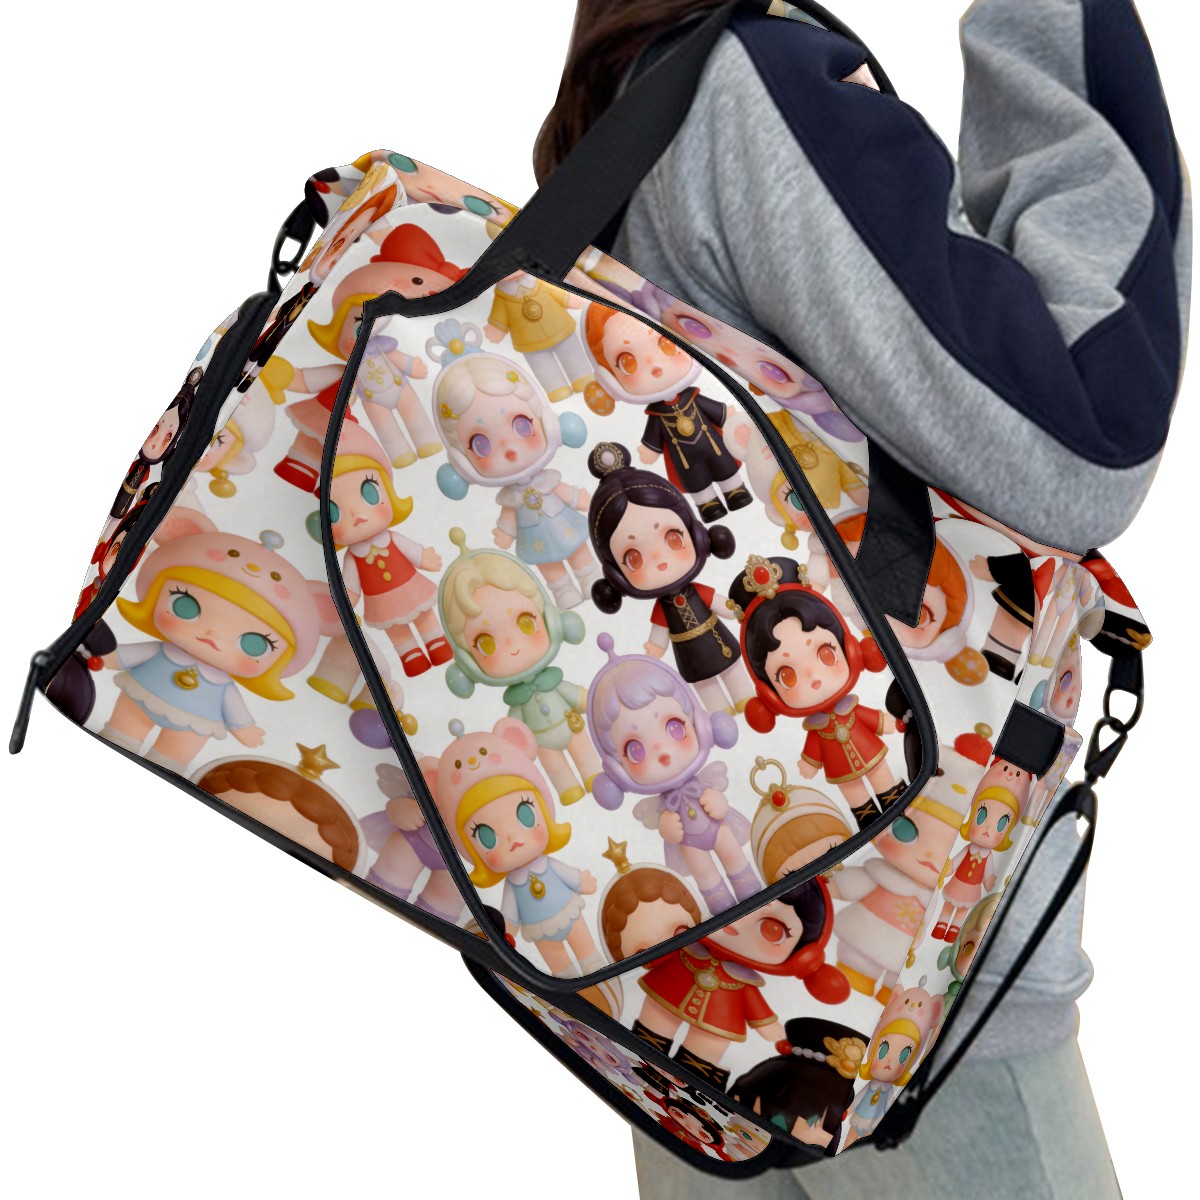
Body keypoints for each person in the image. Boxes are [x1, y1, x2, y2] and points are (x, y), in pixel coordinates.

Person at [534, 0, 1189, 1195]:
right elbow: (1084, 437)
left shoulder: (621, 127)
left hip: (684, 998)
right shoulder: (756, 91)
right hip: (911, 1007)